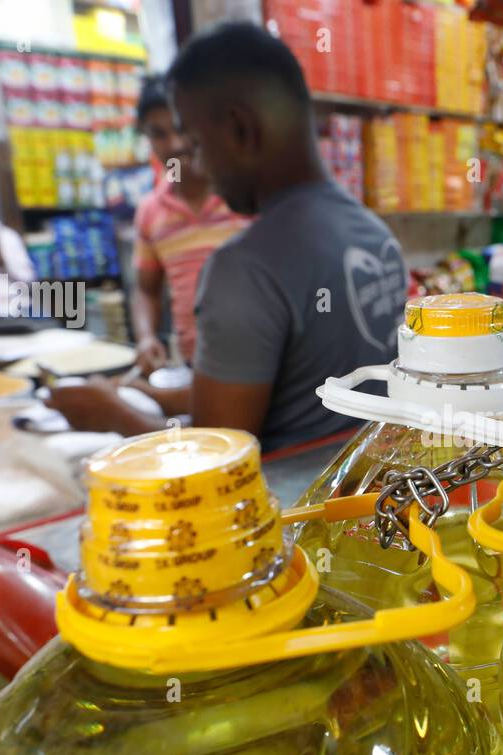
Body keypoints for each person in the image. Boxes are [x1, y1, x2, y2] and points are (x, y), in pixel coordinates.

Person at [47, 22, 408, 452]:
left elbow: (216, 455)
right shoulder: (376, 235)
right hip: (371, 491)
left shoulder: (244, 268)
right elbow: (293, 382)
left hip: (289, 507)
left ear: (240, 130)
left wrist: (110, 414)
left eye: (196, 143)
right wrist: (157, 398)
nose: (195, 165)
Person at [129, 75, 250, 373]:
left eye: (180, 129)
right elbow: (146, 289)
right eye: (158, 134)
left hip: (257, 362)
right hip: (194, 366)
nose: (175, 144)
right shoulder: (150, 211)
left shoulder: (246, 196)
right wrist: (146, 338)